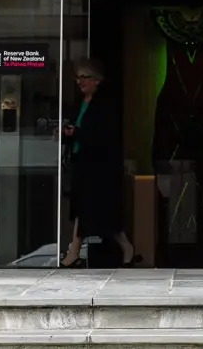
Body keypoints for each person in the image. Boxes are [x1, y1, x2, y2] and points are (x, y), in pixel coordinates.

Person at [61, 59, 136, 268]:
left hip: (99, 167)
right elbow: (75, 128)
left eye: (85, 77)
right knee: (83, 208)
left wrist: (77, 133)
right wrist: (66, 133)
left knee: (97, 211)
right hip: (81, 163)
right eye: (78, 77)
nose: (80, 81)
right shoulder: (79, 103)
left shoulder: (105, 104)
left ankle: (78, 252)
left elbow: (102, 134)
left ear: (97, 80)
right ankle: (75, 252)